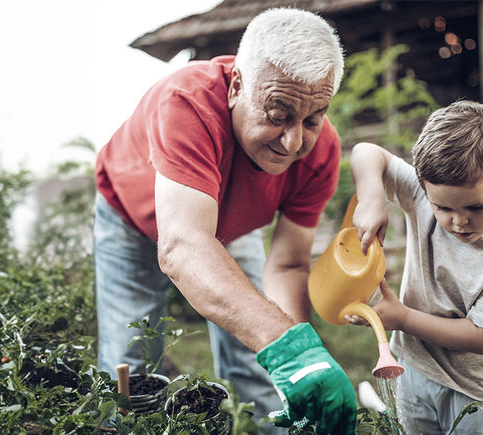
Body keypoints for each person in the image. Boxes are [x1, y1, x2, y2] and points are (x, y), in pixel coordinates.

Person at [94, 8, 356, 433]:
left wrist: (300, 359)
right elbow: (183, 246)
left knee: (260, 363)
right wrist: (287, 347)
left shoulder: (320, 151)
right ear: (236, 86)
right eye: (277, 114)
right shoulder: (187, 101)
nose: (293, 142)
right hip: (132, 218)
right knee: (134, 366)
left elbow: (287, 264)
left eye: (311, 118)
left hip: (227, 228)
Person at [347, 100, 483, 435]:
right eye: (442, 207)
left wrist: (403, 318)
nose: (458, 221)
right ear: (423, 186)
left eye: (475, 206)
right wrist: (373, 198)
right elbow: (365, 152)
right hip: (412, 369)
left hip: (471, 391)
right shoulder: (419, 194)